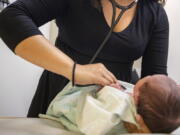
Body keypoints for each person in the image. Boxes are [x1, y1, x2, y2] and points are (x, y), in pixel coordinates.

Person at [0, 0, 169, 117]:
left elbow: (155, 79)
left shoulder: (156, 14)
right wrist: (74, 70)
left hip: (114, 111)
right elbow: (10, 18)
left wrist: (167, 97)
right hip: (60, 98)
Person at [40, 75, 180, 134]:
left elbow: (97, 110)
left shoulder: (118, 102)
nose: (149, 75)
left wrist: (105, 90)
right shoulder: (155, 120)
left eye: (149, 78)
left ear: (136, 98)